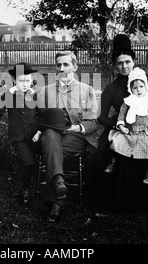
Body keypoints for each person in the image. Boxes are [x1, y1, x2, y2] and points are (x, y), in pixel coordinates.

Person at [92, 33, 148, 213]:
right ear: (115, 65)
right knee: (113, 156)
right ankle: (120, 203)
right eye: (120, 63)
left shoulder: (145, 83)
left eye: (127, 62)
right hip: (123, 130)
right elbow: (101, 117)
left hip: (146, 130)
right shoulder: (111, 89)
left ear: (134, 61)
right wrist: (119, 126)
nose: (124, 66)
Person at [36, 50, 101, 223]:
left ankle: (56, 190)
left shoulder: (86, 90)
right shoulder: (45, 91)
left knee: (52, 152)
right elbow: (38, 119)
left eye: (66, 64)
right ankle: (58, 190)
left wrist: (77, 127)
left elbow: (94, 122)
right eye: (59, 65)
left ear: (75, 67)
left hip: (76, 137)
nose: (62, 68)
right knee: (50, 137)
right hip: (51, 134)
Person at [0, 62, 41, 205]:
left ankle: (46, 186)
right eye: (21, 81)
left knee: (42, 158)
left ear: (32, 80)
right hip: (18, 137)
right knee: (29, 161)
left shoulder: (35, 95)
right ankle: (25, 188)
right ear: (14, 80)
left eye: (27, 81)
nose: (24, 84)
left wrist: (41, 131)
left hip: (35, 135)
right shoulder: (8, 95)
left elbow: (43, 115)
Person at [106, 67, 148, 184]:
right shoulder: (128, 101)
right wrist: (122, 127)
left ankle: (147, 171)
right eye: (135, 88)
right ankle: (113, 162)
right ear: (130, 89)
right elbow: (121, 116)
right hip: (131, 131)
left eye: (141, 87)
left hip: (147, 132)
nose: (138, 90)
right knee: (117, 141)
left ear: (146, 87)